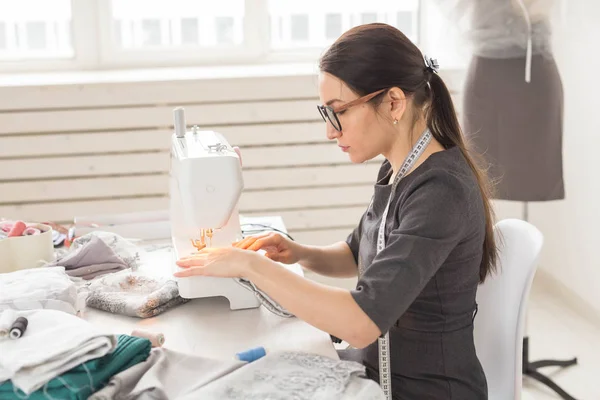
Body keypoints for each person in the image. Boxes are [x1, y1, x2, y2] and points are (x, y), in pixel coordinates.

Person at [174, 23, 497, 400]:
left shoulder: (441, 192)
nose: (330, 131)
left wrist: (251, 267)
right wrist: (297, 253)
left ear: (393, 102)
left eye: (338, 112)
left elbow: (362, 323)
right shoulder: (399, 169)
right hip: (373, 372)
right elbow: (357, 253)